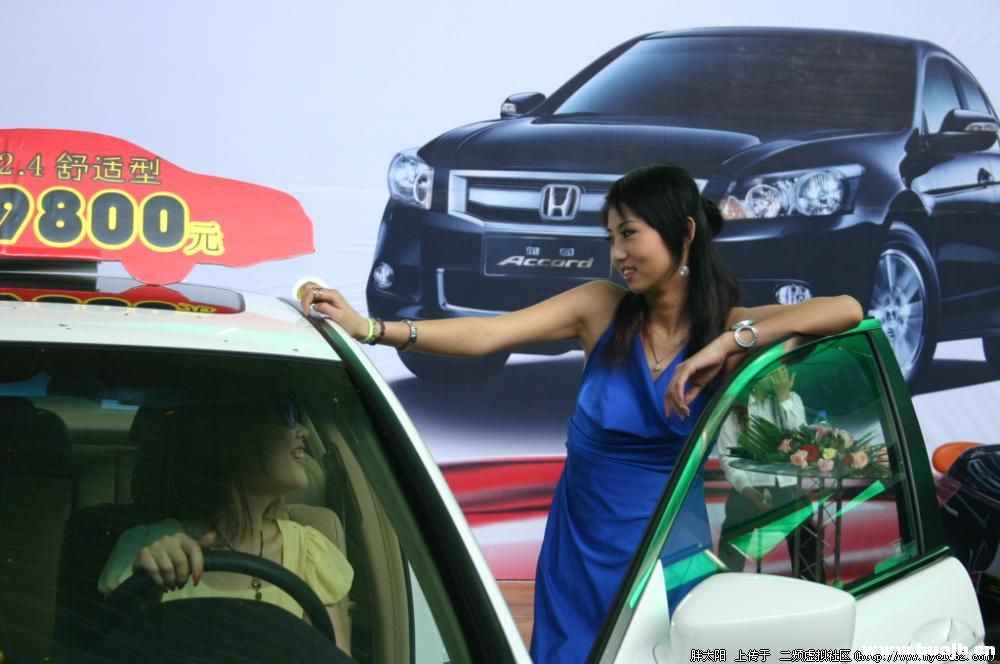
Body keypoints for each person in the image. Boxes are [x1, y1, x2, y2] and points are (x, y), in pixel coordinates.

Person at [299, 164, 863, 663]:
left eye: (629, 234)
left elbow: (846, 309)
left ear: (685, 233)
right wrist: (371, 329)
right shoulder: (600, 308)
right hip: (581, 549)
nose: (617, 254)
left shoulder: (725, 327)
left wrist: (729, 342)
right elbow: (490, 334)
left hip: (672, 551)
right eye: (611, 238)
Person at [97, 397, 354, 655]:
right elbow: (113, 650)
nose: (304, 431)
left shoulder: (309, 552)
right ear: (233, 435)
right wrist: (148, 587)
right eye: (286, 414)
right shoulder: (145, 547)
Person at [716, 366, 819, 578]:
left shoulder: (792, 399)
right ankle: (726, 587)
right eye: (774, 369)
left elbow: (804, 442)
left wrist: (784, 398)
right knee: (732, 540)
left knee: (808, 542)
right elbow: (728, 458)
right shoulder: (735, 404)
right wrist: (749, 491)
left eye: (782, 369)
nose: (779, 374)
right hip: (749, 488)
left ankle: (814, 587)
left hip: (788, 487)